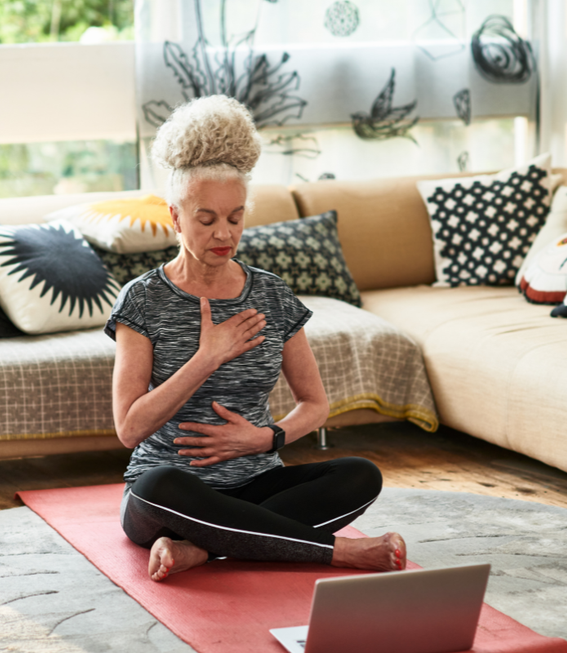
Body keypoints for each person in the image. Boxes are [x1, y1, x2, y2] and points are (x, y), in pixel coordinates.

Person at [105, 95, 406, 582]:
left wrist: (264, 438)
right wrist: (206, 357)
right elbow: (129, 429)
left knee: (360, 475)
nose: (223, 234)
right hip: (170, 494)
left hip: (256, 483)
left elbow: (314, 404)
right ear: (177, 217)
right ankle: (337, 553)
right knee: (159, 485)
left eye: (235, 217)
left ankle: (203, 549)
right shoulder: (142, 300)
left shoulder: (270, 294)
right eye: (206, 220)